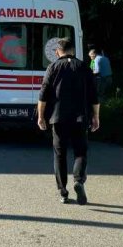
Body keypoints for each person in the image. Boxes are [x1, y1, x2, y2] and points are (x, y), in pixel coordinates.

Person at [38, 38, 100, 205]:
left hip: (57, 118)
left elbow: (43, 95)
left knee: (60, 154)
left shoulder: (52, 67)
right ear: (73, 51)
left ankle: (63, 191)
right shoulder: (84, 67)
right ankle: (78, 181)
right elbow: (94, 96)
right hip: (80, 118)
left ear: (58, 51)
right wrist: (96, 117)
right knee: (80, 152)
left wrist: (40, 117)